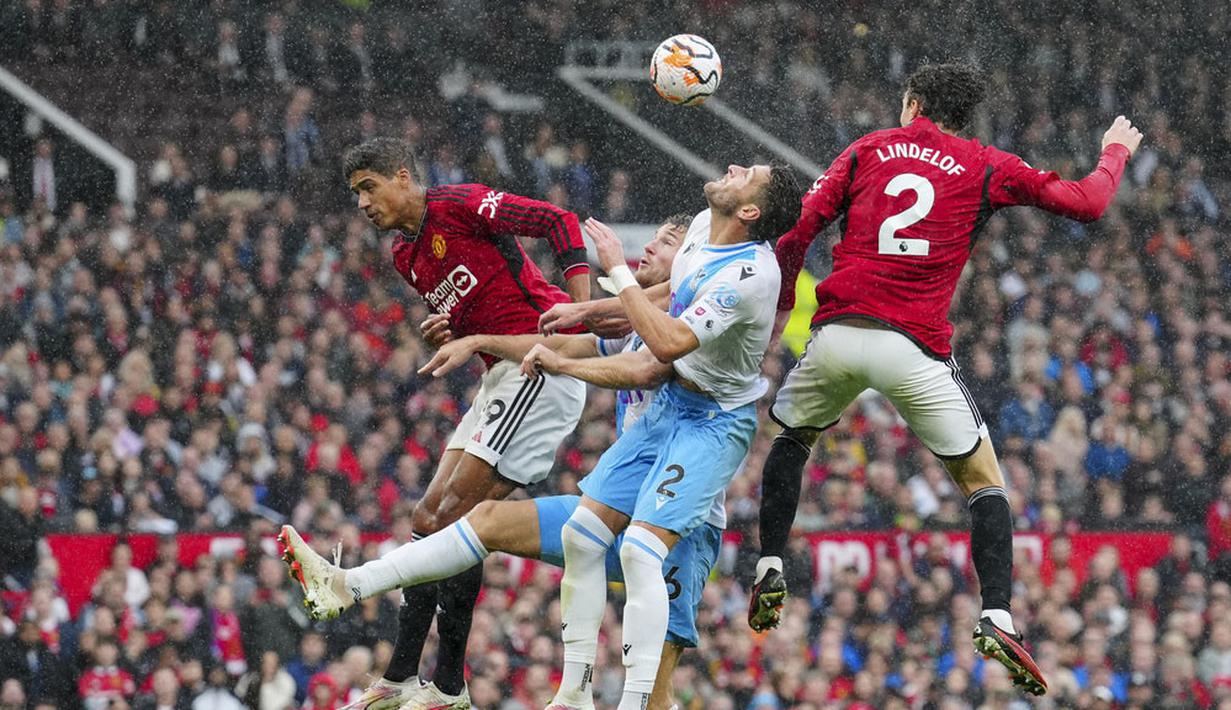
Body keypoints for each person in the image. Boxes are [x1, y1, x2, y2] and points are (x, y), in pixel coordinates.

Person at [744, 63, 1143, 697]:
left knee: (792, 441)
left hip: (840, 336)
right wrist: (1115, 153)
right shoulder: (985, 163)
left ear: (913, 103)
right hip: (912, 348)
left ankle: (769, 563)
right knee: (985, 483)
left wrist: (785, 302)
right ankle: (997, 616)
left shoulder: (868, 148)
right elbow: (1088, 203)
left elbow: (799, 228)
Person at [283, 215, 714, 710]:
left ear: (691, 259)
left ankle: (467, 683)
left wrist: (606, 285)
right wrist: (480, 340)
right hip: (617, 507)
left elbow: (640, 366)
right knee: (481, 519)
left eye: (667, 241)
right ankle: (353, 588)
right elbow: (564, 342)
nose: (652, 246)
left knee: (655, 698)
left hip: (675, 527)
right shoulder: (634, 328)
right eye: (655, 236)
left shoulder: (688, 326)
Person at [283, 136, 592, 710]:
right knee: (430, 518)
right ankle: (417, 680)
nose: (362, 204)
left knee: (451, 519)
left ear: (402, 176)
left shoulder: (461, 204)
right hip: (501, 374)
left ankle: (440, 683)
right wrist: (452, 326)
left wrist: (581, 313)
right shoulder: (406, 256)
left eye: (368, 189)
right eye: (354, 196)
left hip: (541, 367)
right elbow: (482, 301)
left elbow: (560, 221)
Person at [541, 164, 799, 710]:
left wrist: (615, 268)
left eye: (746, 173)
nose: (732, 168)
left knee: (638, 552)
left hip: (713, 422)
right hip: (670, 407)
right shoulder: (706, 224)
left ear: (750, 211)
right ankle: (573, 695)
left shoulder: (751, 276)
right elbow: (667, 292)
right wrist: (588, 311)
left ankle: (635, 704)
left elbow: (666, 342)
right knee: (581, 534)